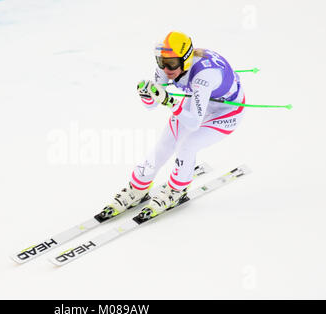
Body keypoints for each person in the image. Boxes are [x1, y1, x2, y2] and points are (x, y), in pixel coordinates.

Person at [101, 31, 246, 219]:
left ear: (185, 60)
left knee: (187, 145)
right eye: (162, 62)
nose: (166, 69)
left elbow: (194, 123)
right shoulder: (169, 61)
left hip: (226, 112)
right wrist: (147, 95)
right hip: (198, 102)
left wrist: (169, 102)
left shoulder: (204, 77)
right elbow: (152, 105)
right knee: (166, 143)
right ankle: (138, 188)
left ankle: (177, 191)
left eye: (171, 64)